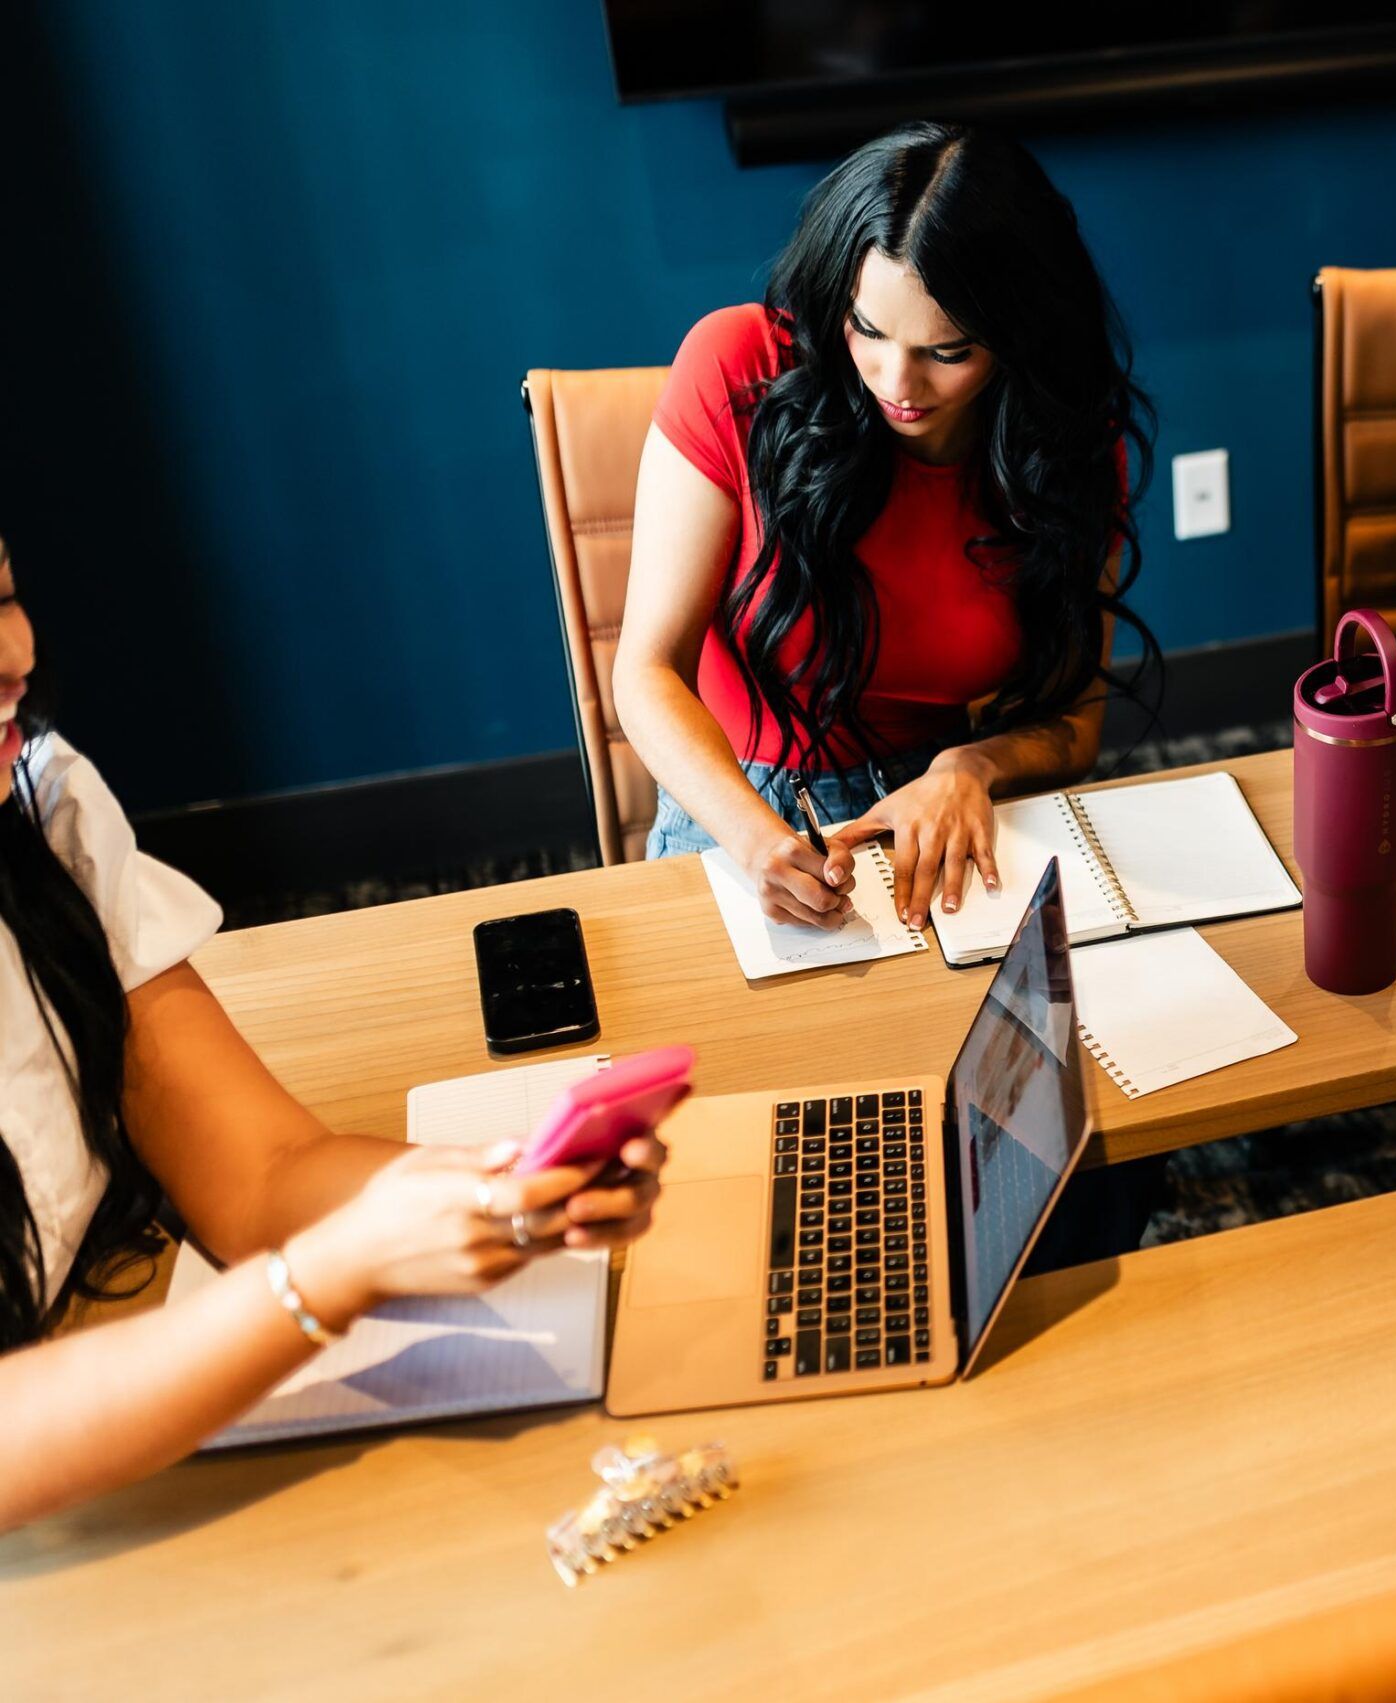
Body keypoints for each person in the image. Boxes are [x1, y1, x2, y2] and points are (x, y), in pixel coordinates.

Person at [0, 536, 667, 1531]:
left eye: (6, 595)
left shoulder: (42, 805)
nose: (17, 654)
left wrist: (495, 1191)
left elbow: (263, 1170)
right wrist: (325, 1275)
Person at [619, 120, 1157, 930]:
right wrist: (752, 837)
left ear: (1017, 341)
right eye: (867, 329)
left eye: (948, 352)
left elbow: (1073, 724)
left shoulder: (1065, 444)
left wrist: (971, 765)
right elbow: (646, 672)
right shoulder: (737, 365)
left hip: (945, 798)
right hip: (739, 800)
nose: (896, 381)